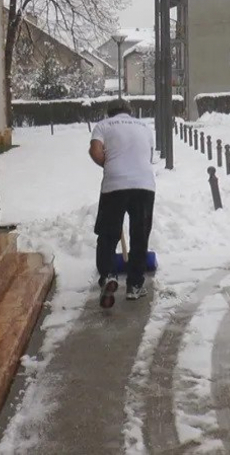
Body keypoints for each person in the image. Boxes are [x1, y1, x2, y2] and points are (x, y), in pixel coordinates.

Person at [89, 101, 156, 307]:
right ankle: (135, 285)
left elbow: (95, 151)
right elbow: (149, 155)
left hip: (114, 184)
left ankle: (108, 275)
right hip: (144, 184)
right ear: (130, 112)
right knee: (139, 234)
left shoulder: (103, 126)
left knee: (108, 234)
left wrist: (107, 164)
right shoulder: (144, 127)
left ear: (110, 113)